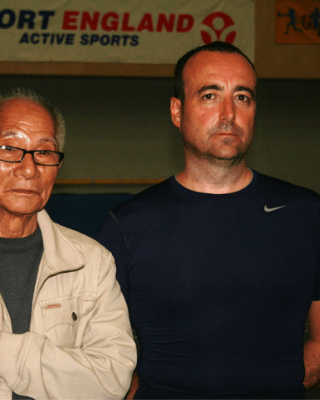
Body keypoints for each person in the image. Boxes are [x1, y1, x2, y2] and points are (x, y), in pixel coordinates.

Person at [95, 41, 320, 399]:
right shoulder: (127, 226)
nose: (229, 113)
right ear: (176, 110)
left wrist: (282, 385)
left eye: (243, 97)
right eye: (210, 95)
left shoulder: (307, 214)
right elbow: (97, 351)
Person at [0, 88, 136, 399]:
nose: (29, 169)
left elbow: (113, 378)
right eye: (9, 148)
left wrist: (4, 354)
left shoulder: (91, 262)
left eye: (44, 153)